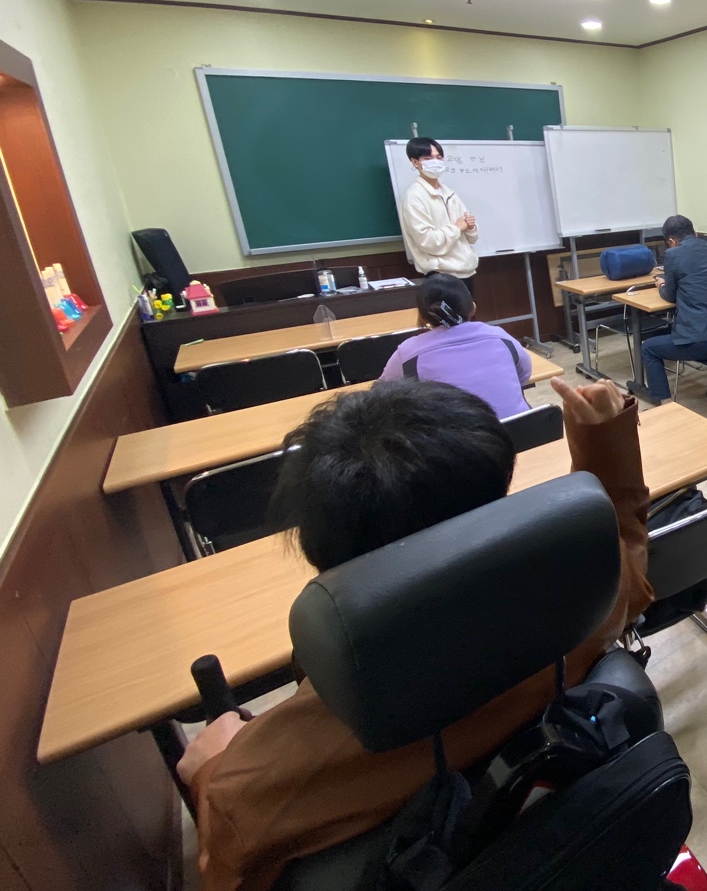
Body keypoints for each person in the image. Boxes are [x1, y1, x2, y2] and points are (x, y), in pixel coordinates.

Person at [175, 376, 650, 891]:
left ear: (325, 558)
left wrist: (210, 769)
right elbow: (624, 564)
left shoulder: (273, 775)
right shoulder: (575, 613)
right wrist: (604, 443)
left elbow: (228, 861)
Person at [379, 273, 531, 418]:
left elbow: (382, 394)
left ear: (423, 317)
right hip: (520, 430)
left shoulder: (409, 352)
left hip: (457, 435)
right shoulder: (500, 336)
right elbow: (523, 374)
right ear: (473, 308)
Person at [637, 215, 707, 402]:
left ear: (671, 241)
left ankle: (664, 402)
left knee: (648, 348)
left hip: (701, 341)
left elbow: (669, 295)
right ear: (695, 233)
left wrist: (661, 284)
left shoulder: (673, 255)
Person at [398, 137, 479, 282]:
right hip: (441, 275)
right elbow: (427, 242)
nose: (435, 162)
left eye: (439, 157)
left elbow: (472, 238)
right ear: (415, 162)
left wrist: (471, 227)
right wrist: (457, 228)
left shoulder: (450, 193)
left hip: (466, 270)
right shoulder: (414, 197)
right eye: (428, 158)